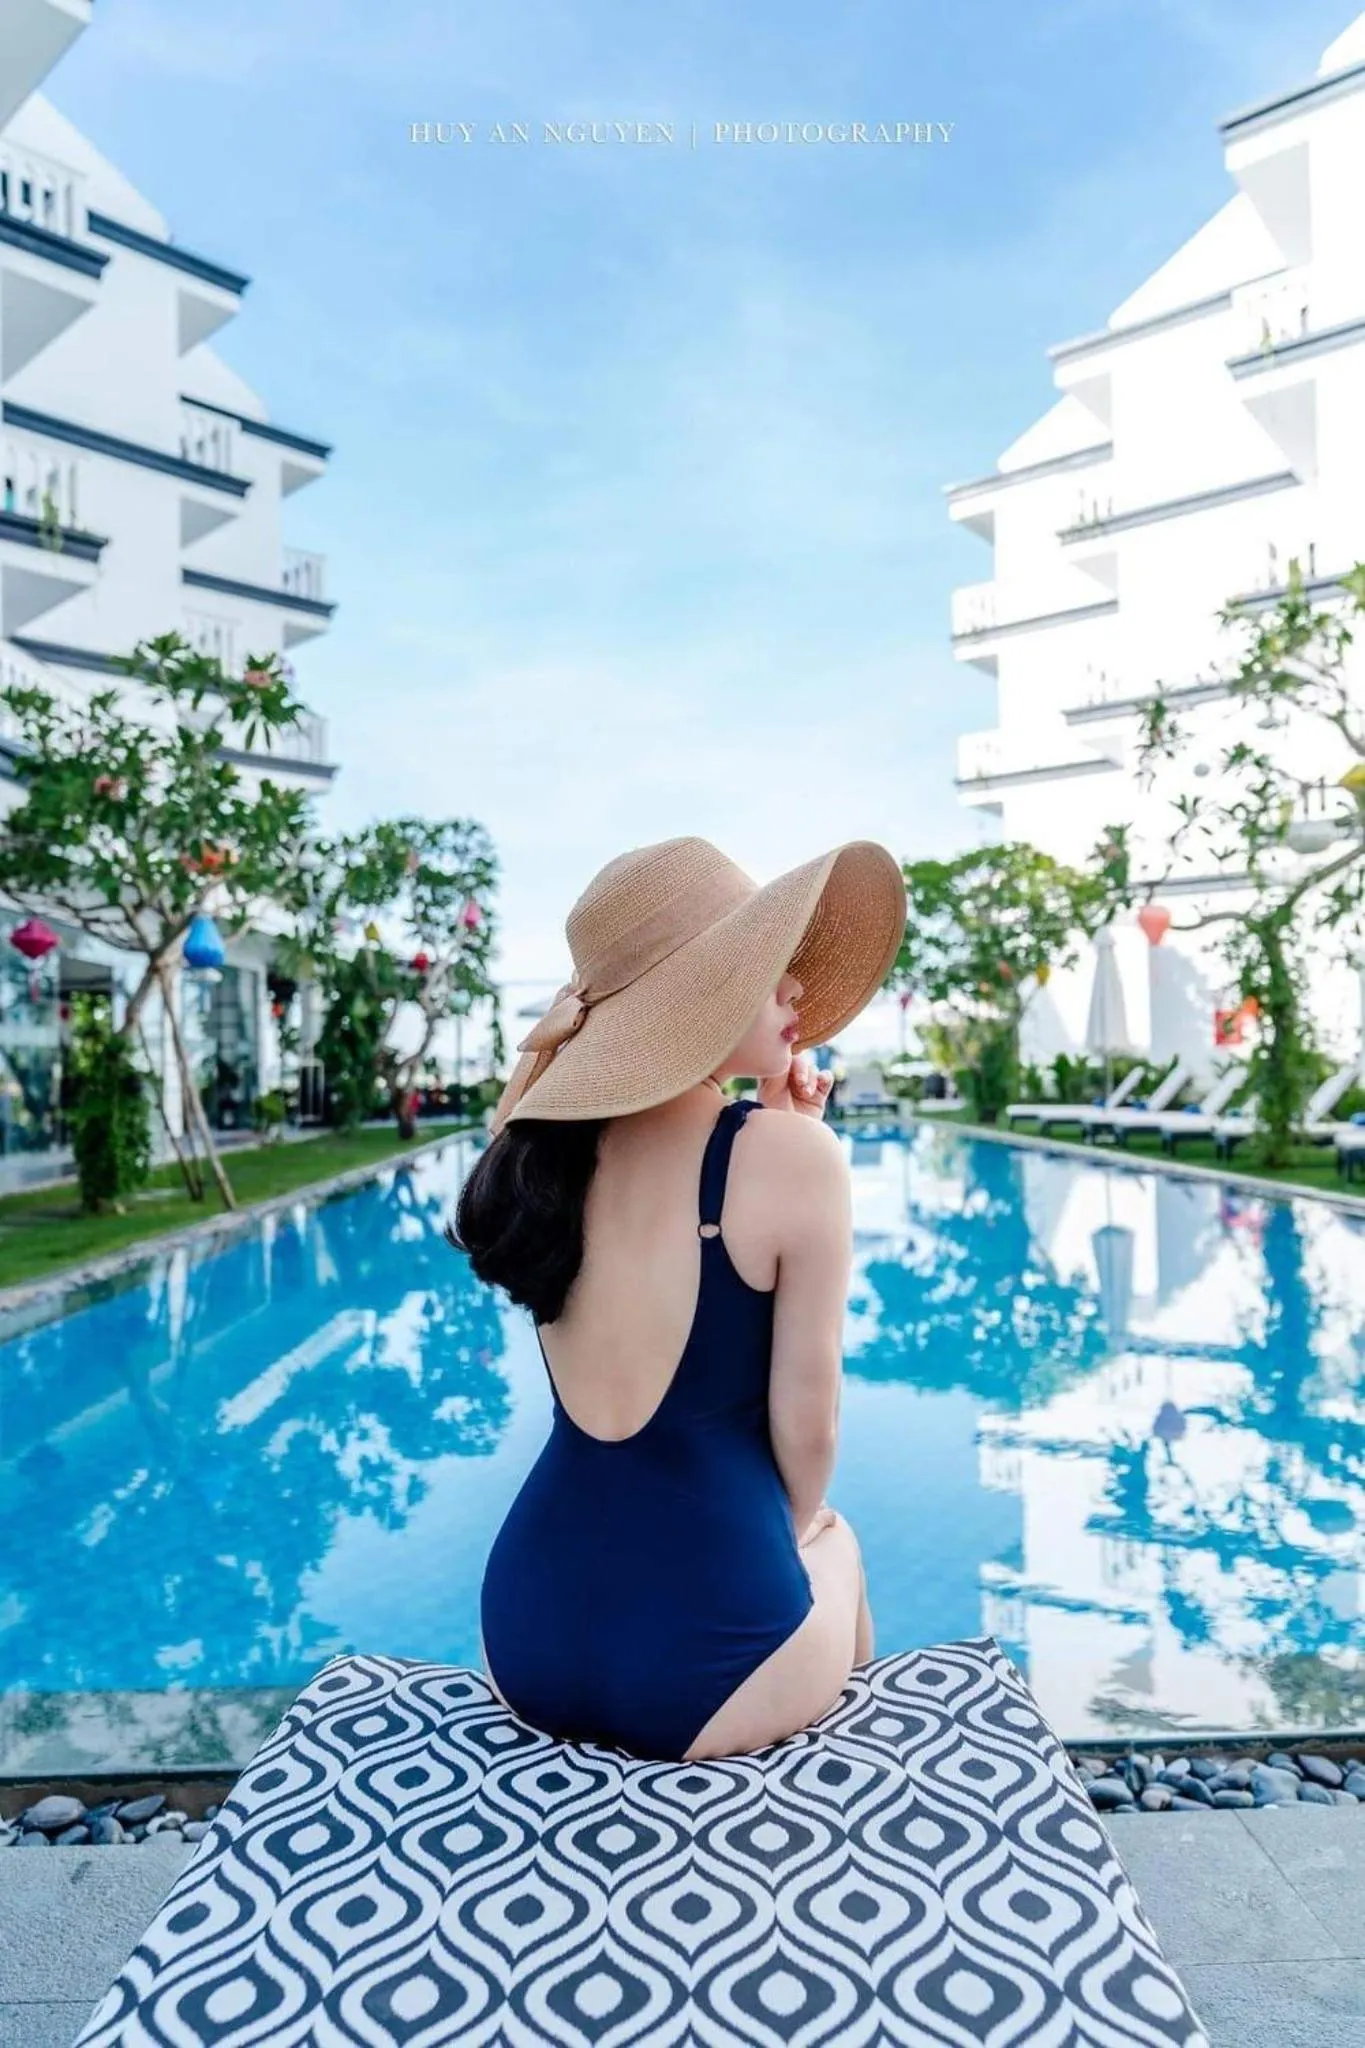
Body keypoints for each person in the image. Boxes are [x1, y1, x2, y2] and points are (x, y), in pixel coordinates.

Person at [451, 834, 906, 1762]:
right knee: (837, 1541)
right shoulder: (792, 1158)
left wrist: (779, 1132)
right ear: (696, 994)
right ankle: (853, 1797)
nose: (794, 992)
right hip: (711, 1664)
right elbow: (808, 1431)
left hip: (524, 1637)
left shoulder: (546, 1161)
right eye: (769, 967)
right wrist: (780, 1540)